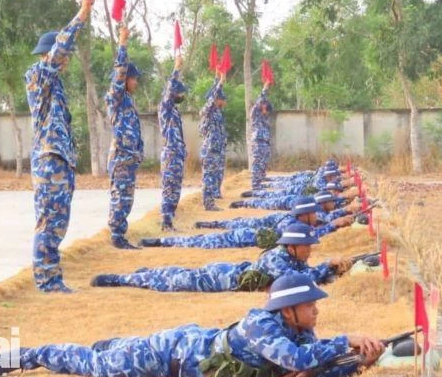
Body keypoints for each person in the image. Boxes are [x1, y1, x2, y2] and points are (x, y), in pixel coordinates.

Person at [0, 273, 384, 377]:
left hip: (188, 344)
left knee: (111, 351)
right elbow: (295, 362)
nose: (316, 310)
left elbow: (312, 376)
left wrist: (360, 364)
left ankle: (115, 344)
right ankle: (32, 355)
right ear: (288, 308)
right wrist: (346, 339)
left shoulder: (301, 335)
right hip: (169, 354)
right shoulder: (262, 323)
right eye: (311, 304)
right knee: (96, 365)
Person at [26, 0, 96, 292]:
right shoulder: (38, 76)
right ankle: (46, 280)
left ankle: (52, 276)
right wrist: (82, 14)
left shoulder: (55, 85)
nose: (65, 62)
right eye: (60, 57)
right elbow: (61, 49)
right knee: (49, 223)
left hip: (60, 161)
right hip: (49, 160)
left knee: (57, 224)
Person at [92, 221, 350, 291]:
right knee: (168, 281)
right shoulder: (277, 259)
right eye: (308, 247)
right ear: (293, 246)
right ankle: (120, 279)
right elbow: (295, 282)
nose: (311, 251)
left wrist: (331, 271)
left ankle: (142, 274)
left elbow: (306, 276)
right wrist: (326, 266)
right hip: (218, 279)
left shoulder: (290, 257)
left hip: (226, 273)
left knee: (171, 275)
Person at [138, 195, 354, 250]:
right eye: (313, 214)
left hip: (247, 235)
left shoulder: (301, 222)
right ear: (304, 215)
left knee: (203, 238)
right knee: (198, 242)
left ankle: (163, 241)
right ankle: (161, 243)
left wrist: (339, 218)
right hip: (239, 239)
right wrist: (334, 224)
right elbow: (312, 235)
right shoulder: (291, 227)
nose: (316, 217)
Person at [105, 25, 143, 250]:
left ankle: (120, 234)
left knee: (126, 197)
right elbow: (120, 71)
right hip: (121, 157)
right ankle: (116, 236)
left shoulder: (127, 100)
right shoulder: (116, 96)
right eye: (133, 79)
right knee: (120, 196)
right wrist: (123, 43)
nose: (135, 82)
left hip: (129, 157)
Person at [158, 53, 188, 231]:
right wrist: (177, 68)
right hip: (170, 154)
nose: (181, 94)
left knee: (175, 189)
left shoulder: (174, 112)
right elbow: (169, 90)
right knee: (169, 189)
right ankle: (165, 221)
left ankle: (169, 222)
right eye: (179, 91)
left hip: (177, 154)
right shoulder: (165, 107)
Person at [199, 74, 227, 210]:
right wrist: (220, 83)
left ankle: (210, 201)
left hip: (215, 148)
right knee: (208, 176)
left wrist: (216, 77)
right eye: (222, 99)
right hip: (209, 149)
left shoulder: (216, 112)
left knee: (212, 175)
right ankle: (208, 203)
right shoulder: (208, 110)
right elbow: (212, 97)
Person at [250, 83, 273, 189]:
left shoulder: (264, 118)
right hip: (258, 141)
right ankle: (255, 183)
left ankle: (261, 179)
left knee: (263, 161)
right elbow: (260, 99)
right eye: (265, 109)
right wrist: (265, 88)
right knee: (257, 162)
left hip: (264, 142)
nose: (266, 112)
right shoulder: (255, 113)